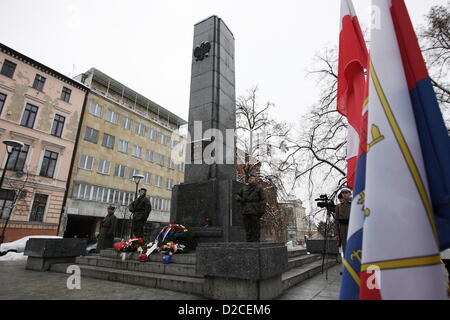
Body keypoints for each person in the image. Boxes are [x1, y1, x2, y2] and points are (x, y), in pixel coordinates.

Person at [235, 174, 267, 242]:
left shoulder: (259, 188)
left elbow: (263, 200)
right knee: (247, 226)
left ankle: (256, 240)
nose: (251, 180)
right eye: (249, 179)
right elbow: (236, 194)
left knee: (255, 226)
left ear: (255, 179)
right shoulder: (244, 188)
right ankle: (249, 240)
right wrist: (240, 199)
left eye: (252, 178)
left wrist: (261, 211)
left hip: (255, 210)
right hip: (246, 210)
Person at [334, 188, 352, 254]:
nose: (344, 194)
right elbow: (336, 221)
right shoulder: (338, 206)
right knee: (345, 248)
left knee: (353, 246)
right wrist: (336, 233)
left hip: (352, 227)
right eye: (343, 193)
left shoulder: (354, 204)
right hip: (342, 229)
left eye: (346, 193)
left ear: (350, 194)